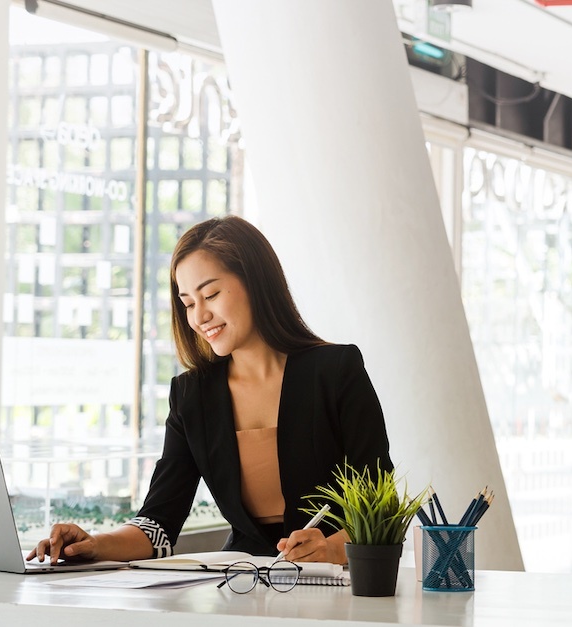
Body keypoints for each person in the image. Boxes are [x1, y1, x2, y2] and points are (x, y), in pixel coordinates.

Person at [28, 216, 393, 565]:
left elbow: (383, 507)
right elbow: (158, 525)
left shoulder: (335, 371)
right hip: (241, 585)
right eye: (188, 303)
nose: (199, 316)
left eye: (211, 294)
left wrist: (332, 548)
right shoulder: (192, 395)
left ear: (256, 281)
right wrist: (94, 543)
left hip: (338, 587)